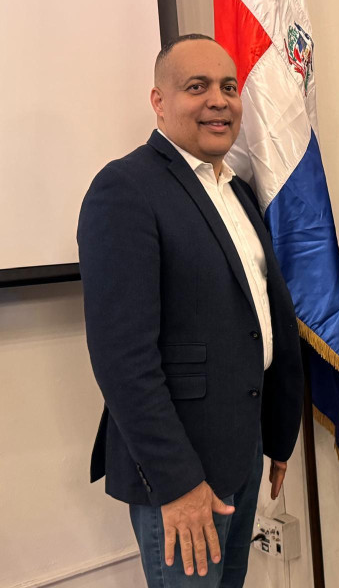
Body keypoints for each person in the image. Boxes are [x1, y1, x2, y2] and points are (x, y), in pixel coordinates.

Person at [77, 33, 304, 588]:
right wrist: (177, 483)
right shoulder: (124, 189)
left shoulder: (236, 190)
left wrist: (275, 435)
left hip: (243, 449)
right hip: (180, 473)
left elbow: (257, 320)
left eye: (228, 86)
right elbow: (123, 359)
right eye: (196, 87)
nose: (218, 100)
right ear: (159, 101)